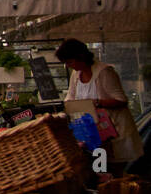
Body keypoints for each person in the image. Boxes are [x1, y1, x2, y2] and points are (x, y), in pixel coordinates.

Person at [55, 38, 143, 173]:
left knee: (114, 170)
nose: (68, 65)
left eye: (70, 61)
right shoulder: (76, 74)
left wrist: (96, 103)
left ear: (80, 57)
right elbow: (70, 98)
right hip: (93, 134)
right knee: (99, 170)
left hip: (113, 132)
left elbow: (121, 100)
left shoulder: (104, 72)